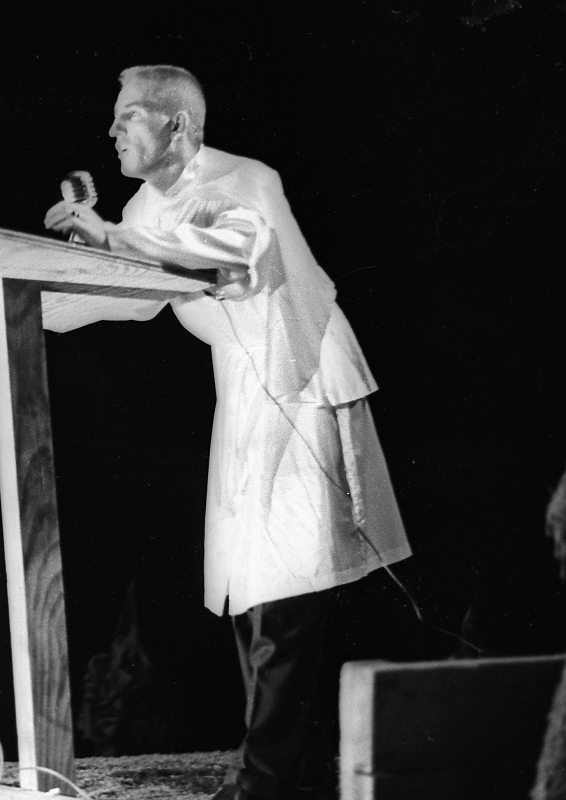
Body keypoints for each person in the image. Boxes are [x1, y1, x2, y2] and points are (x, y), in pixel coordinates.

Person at [45, 65, 413, 800]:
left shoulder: (244, 179)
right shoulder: (144, 205)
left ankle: (267, 780)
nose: (112, 131)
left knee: (287, 587)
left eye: (128, 116)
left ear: (177, 123)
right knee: (249, 588)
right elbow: (140, 288)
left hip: (298, 378)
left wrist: (111, 236)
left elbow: (232, 253)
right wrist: (65, 262)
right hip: (245, 388)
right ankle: (285, 772)